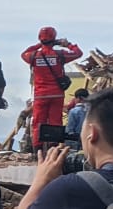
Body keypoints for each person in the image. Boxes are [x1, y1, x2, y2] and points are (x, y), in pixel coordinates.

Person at [21, 27, 83, 158]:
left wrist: (40, 44)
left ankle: (37, 151)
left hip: (40, 95)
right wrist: (67, 44)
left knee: (38, 123)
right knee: (55, 122)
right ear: (54, 39)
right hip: (57, 95)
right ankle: (53, 152)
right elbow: (78, 53)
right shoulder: (60, 55)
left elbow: (24, 53)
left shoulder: (33, 56)